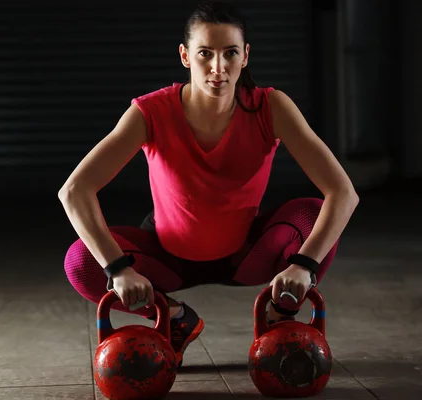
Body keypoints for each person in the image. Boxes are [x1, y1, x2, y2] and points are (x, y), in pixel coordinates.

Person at [58, 0, 359, 368]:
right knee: (81, 261)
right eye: (205, 54)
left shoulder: (270, 107)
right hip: (167, 259)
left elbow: (343, 193)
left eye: (230, 53)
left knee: (313, 212)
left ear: (245, 56)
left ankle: (279, 313)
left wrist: (304, 266)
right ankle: (175, 318)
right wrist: (118, 269)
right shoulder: (150, 112)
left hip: (246, 255)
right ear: (186, 56)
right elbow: (74, 190)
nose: (218, 68)